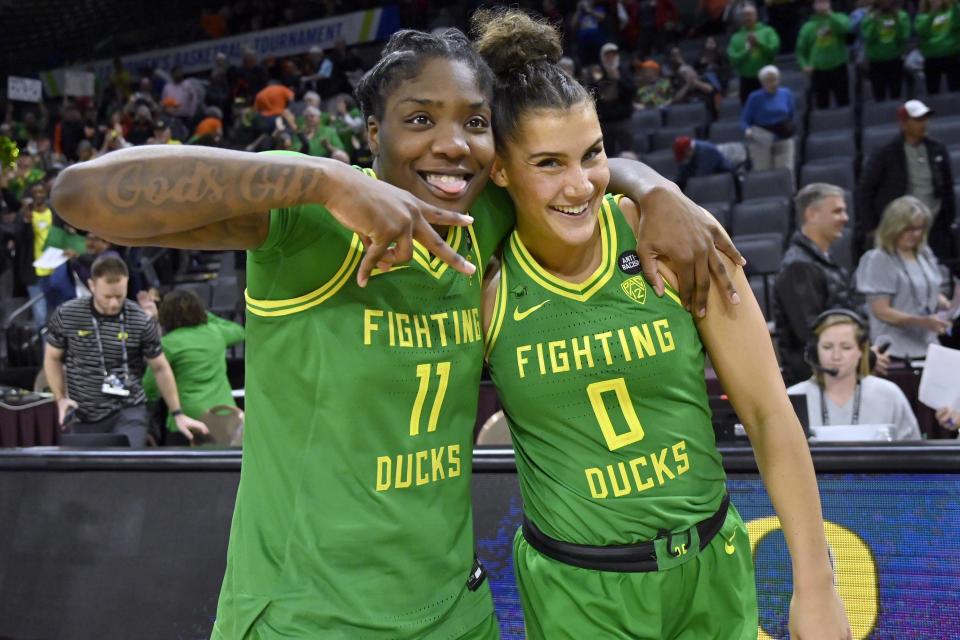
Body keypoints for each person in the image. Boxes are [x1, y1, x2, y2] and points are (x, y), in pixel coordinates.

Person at [50, 27, 742, 639]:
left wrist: (653, 186)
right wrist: (323, 180)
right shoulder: (309, 224)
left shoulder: (483, 218)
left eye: (474, 121)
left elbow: (573, 166)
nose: (452, 143)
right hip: (308, 618)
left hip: (455, 614)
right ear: (373, 134)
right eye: (420, 119)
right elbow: (79, 197)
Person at [472, 9, 850, 639]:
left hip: (711, 568)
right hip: (577, 592)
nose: (579, 184)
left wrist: (818, 587)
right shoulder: (487, 284)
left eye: (592, 155)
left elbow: (766, 414)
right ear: (502, 171)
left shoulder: (675, 241)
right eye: (547, 164)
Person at [42, 255, 209, 447]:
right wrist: (61, 398)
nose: (113, 303)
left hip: (129, 410)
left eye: (119, 296)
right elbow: (52, 358)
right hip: (84, 413)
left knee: (128, 467)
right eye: (107, 297)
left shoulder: (140, 320)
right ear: (92, 285)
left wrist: (177, 413)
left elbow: (160, 368)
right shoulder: (68, 315)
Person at [787, 310, 921, 439]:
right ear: (814, 351)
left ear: (862, 350)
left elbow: (913, 454)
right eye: (827, 347)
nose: (836, 356)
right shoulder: (791, 398)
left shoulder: (890, 395)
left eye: (846, 347)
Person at [855, 99, 957, 266]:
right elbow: (865, 190)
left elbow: (948, 187)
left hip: (935, 225)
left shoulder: (937, 148)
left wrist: (949, 219)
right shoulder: (885, 153)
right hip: (901, 227)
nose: (924, 124)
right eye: (918, 120)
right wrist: (872, 227)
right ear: (903, 124)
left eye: (925, 119)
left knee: (939, 272)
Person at [775, 183, 857, 384]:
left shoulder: (821, 260)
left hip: (834, 377)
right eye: (837, 211)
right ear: (811, 214)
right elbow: (811, 331)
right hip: (815, 382)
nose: (845, 218)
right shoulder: (798, 266)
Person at [855, 196, 954, 361]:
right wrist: (922, 321)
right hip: (894, 350)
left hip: (929, 345)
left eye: (919, 228)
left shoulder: (924, 254)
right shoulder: (878, 259)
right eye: (909, 228)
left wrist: (946, 304)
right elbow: (881, 311)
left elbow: (931, 289)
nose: (915, 234)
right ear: (893, 227)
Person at [142, 289, 245, 445]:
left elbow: (150, 386)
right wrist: (201, 314)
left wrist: (144, 407)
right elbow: (240, 331)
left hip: (186, 420)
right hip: (224, 416)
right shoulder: (216, 333)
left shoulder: (167, 344)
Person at [741, 64, 797, 174]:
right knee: (763, 172)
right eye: (768, 81)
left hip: (783, 135)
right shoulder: (754, 97)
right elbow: (745, 120)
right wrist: (747, 130)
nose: (773, 83)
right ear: (762, 83)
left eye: (775, 80)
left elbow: (792, 114)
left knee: (785, 171)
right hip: (762, 137)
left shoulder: (786, 93)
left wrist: (789, 129)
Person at [796, 0, 851, 109]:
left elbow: (845, 29)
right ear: (814, 6)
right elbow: (800, 50)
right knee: (822, 105)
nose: (822, 5)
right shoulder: (807, 26)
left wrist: (831, 15)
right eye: (819, 2)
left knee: (844, 102)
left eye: (824, 1)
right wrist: (804, 65)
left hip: (839, 66)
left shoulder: (840, 17)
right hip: (818, 70)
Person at [727, 3, 781, 105]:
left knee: (771, 106)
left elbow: (774, 50)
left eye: (750, 14)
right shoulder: (736, 38)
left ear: (756, 15)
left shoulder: (767, 31)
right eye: (745, 15)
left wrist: (759, 44)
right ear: (741, 18)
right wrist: (747, 51)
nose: (748, 18)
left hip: (767, 79)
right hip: (747, 81)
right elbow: (733, 59)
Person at [861, 0, 910, 102]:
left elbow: (903, 37)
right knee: (879, 97)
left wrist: (897, 20)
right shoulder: (869, 17)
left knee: (896, 96)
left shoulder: (902, 16)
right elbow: (868, 38)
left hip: (895, 60)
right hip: (876, 62)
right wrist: (874, 21)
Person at [915, 0, 960, 94]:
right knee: (933, 91)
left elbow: (957, 24)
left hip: (952, 55)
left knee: (956, 89)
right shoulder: (922, 17)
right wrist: (932, 13)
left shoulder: (951, 12)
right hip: (932, 58)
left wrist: (955, 5)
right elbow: (921, 31)